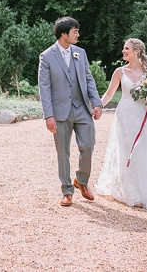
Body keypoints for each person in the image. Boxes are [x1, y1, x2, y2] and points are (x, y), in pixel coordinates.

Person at [95, 38, 147, 209]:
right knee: (126, 150)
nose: (123, 51)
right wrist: (97, 107)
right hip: (125, 115)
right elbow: (108, 94)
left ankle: (146, 190)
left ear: (136, 51)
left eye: (126, 48)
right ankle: (130, 192)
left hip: (143, 114)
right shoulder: (119, 72)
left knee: (144, 149)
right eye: (123, 48)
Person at [38, 17, 103, 207]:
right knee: (63, 152)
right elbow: (44, 87)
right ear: (64, 34)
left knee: (88, 146)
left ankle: (81, 181)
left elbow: (89, 79)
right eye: (75, 31)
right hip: (59, 112)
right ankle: (67, 190)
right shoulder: (47, 56)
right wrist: (48, 115)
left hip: (82, 108)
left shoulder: (80, 53)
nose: (78, 34)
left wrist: (96, 103)